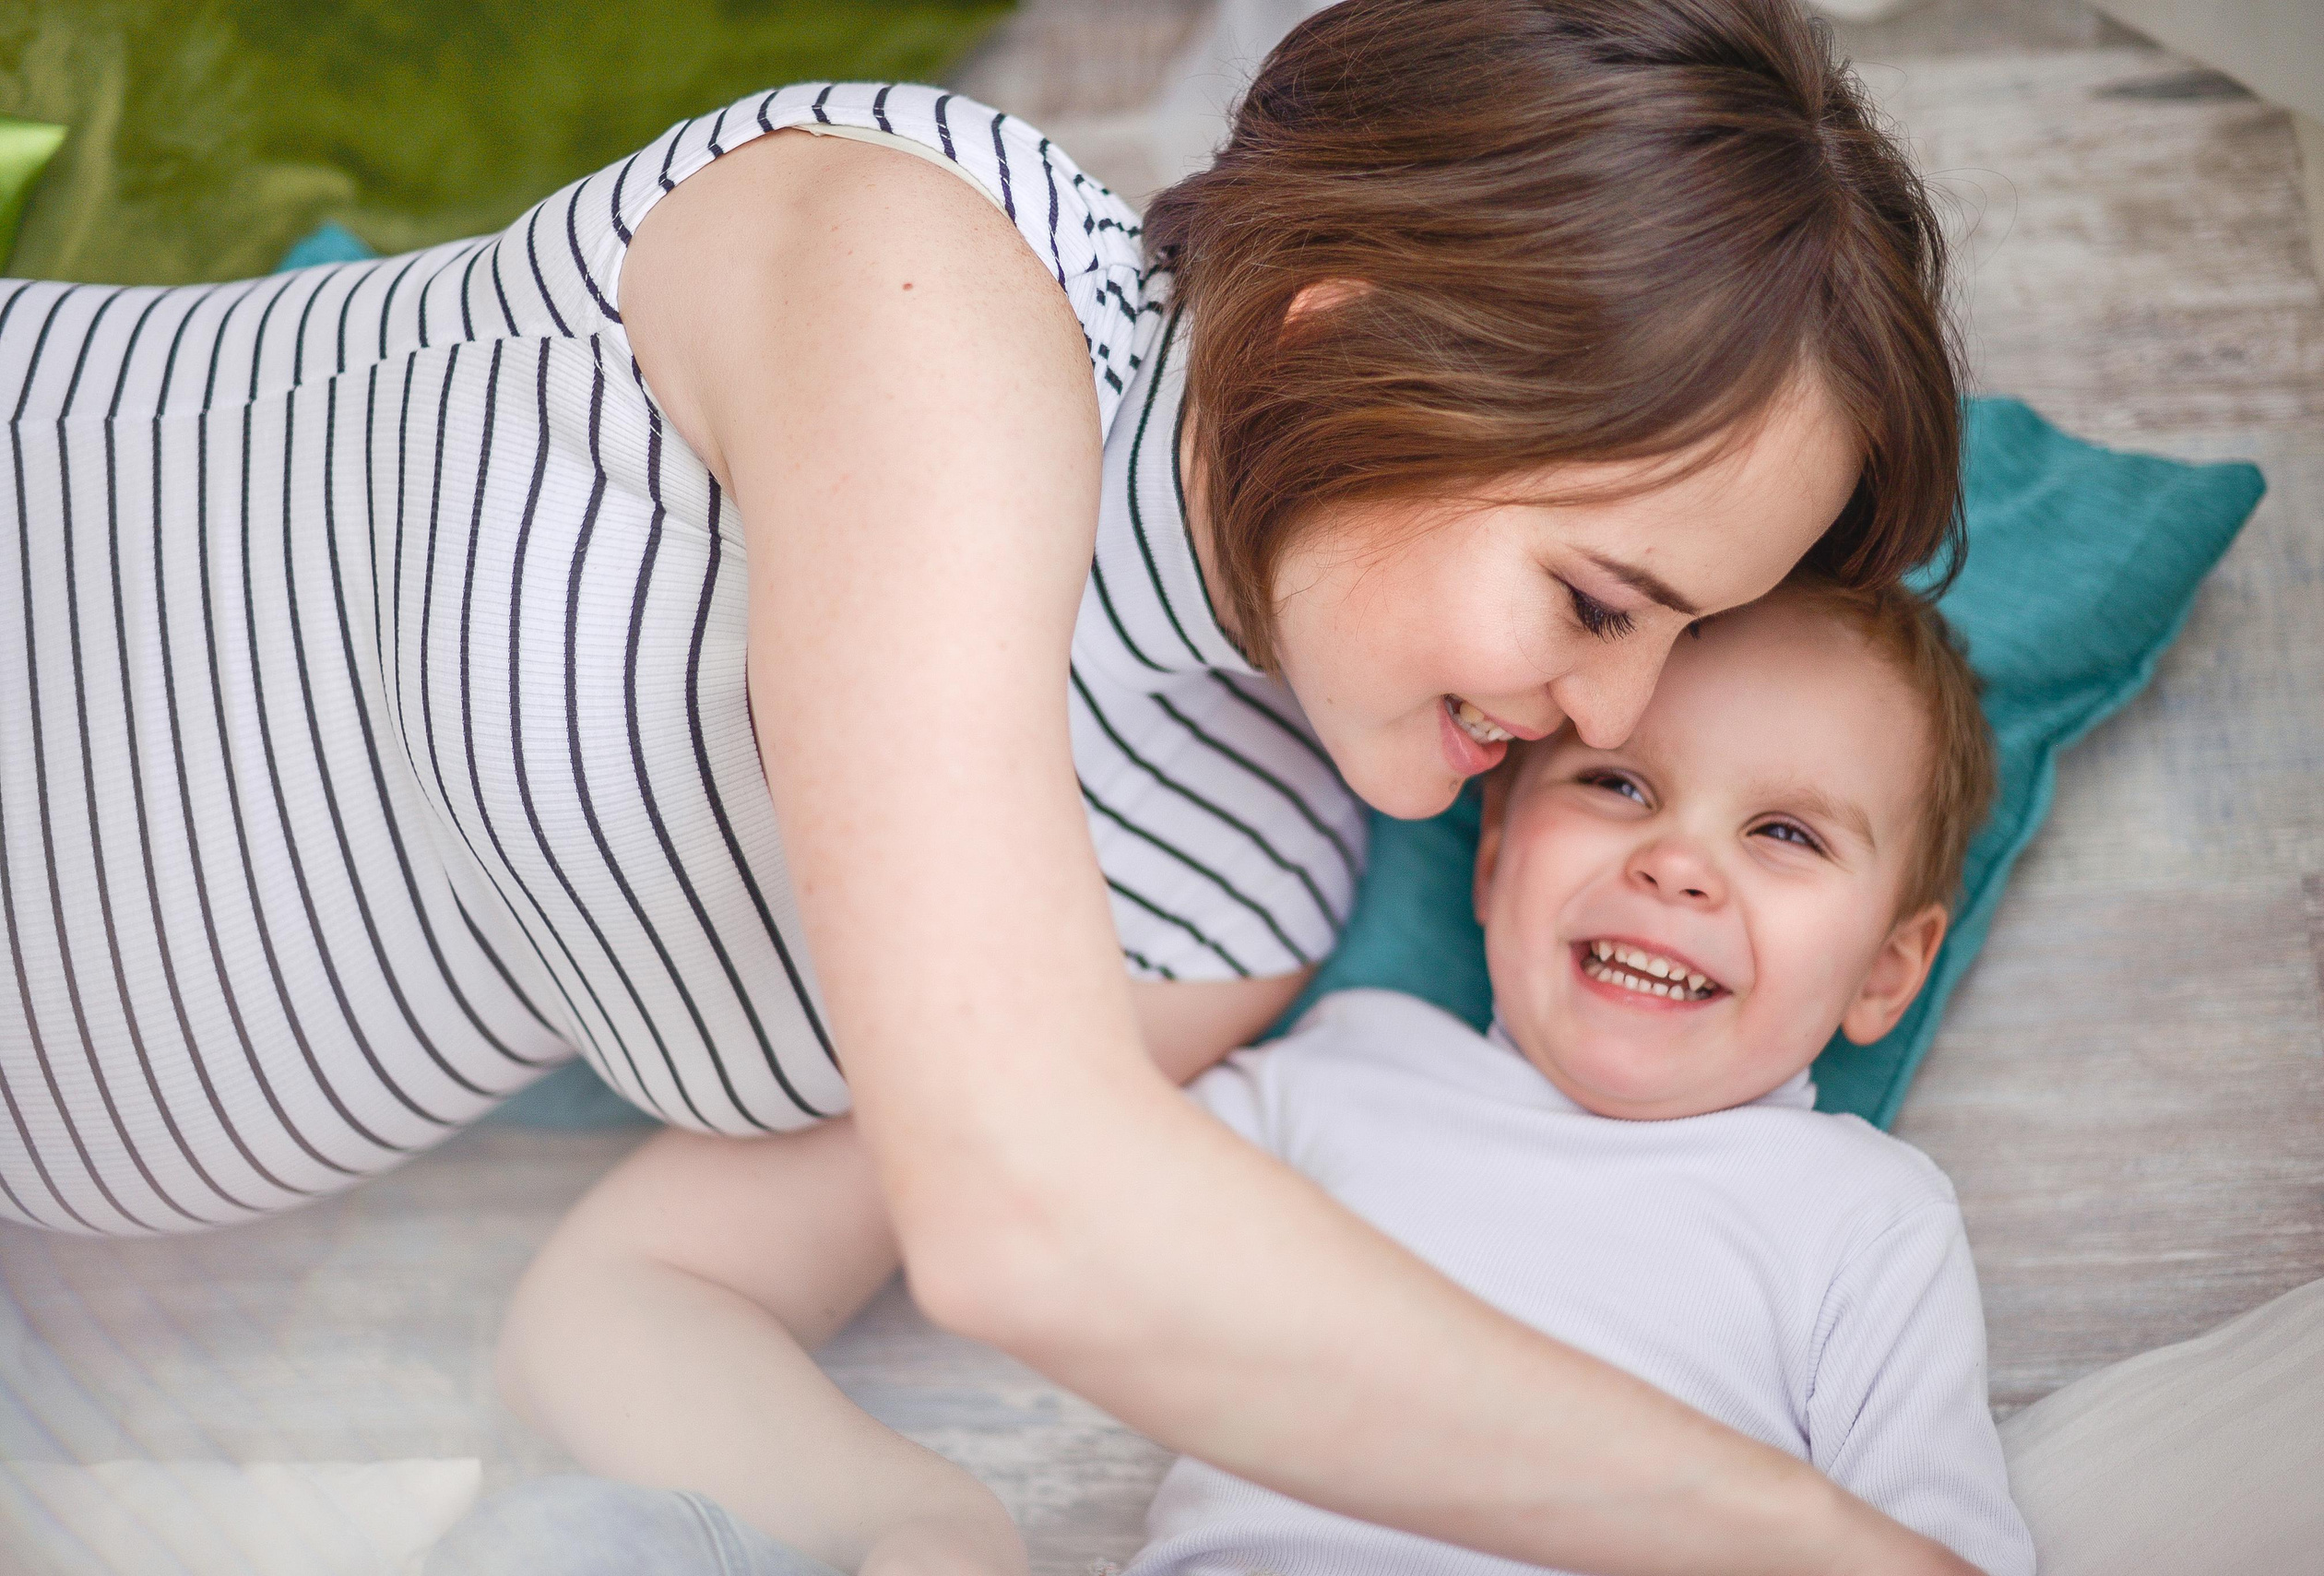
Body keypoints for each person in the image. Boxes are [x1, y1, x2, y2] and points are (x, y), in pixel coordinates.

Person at [0, 2, 1980, 1569]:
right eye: (1590, 597)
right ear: (1357, 338)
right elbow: (1024, 1209)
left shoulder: (1239, 885)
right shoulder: (926, 266)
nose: (1593, 709)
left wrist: (909, 1523)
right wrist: (1810, 1544)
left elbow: (652, 1299)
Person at [432, 575, 2029, 1576]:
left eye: (1785, 834)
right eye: (1617, 786)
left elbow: (1933, 1555)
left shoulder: (1857, 1213)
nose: (1680, 865)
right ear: (1490, 862)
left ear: (1890, 966)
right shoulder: (1333, 1074)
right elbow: (1044, 1183)